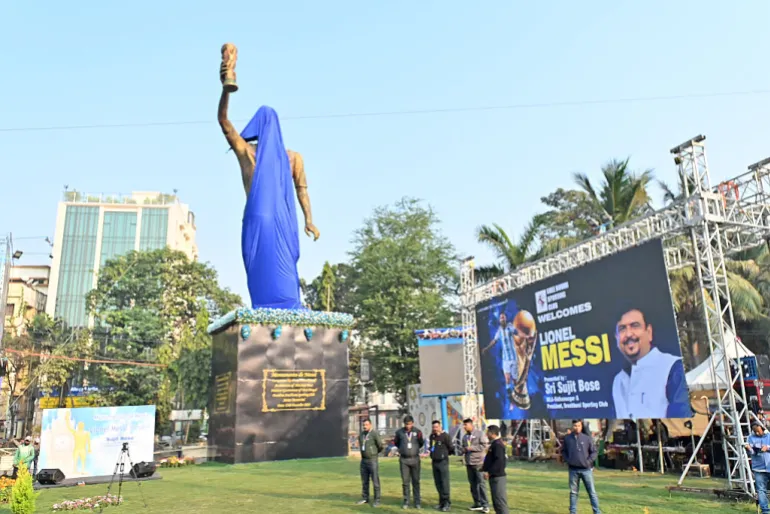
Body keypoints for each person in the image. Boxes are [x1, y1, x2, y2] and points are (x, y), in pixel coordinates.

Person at [217, 72, 319, 310]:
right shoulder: (290, 157)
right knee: (280, 269)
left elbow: (223, 121)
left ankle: (274, 310)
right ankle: (282, 308)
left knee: (268, 267)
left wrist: (225, 92)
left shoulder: (249, 152)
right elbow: (302, 190)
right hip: (275, 221)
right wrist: (309, 220)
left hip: (263, 221)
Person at [611, 307, 691, 419]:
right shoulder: (618, 381)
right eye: (622, 329)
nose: (628, 334)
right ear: (616, 338)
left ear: (649, 332)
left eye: (635, 326)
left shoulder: (671, 367)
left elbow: (681, 417)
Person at [561, 419, 601, 514]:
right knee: (573, 493)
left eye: (579, 426)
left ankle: (597, 512)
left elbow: (594, 452)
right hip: (573, 470)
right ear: (572, 426)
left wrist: (588, 462)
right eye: (575, 426)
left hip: (586, 470)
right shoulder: (567, 439)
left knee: (592, 493)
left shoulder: (587, 438)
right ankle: (573, 512)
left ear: (581, 426)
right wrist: (568, 460)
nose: (577, 428)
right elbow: (563, 451)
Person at [481, 312, 516, 409]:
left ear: (506, 319)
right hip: (505, 359)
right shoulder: (499, 331)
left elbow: (517, 332)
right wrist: (486, 348)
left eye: (503, 317)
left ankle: (518, 397)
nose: (502, 319)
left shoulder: (510, 327)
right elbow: (494, 341)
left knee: (515, 380)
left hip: (513, 358)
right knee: (507, 379)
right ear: (499, 320)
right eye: (501, 318)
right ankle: (511, 401)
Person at [394, 415, 424, 509]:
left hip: (415, 459)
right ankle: (406, 501)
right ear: (404, 424)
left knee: (416, 481)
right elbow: (396, 443)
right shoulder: (399, 432)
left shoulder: (418, 432)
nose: (408, 426)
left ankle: (417, 501)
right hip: (404, 460)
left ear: (413, 423)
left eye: (410, 424)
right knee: (405, 482)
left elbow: (421, 443)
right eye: (406, 424)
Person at [462, 418, 490, 513]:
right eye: (463, 425)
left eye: (466, 425)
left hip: (479, 463)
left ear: (471, 425)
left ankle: (485, 505)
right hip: (469, 463)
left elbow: (484, 446)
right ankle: (477, 503)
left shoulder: (480, 434)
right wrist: (463, 450)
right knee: (473, 484)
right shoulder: (465, 437)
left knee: (481, 484)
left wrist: (471, 448)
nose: (464, 427)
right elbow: (464, 447)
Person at [356, 418, 383, 507]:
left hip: (372, 460)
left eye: (366, 424)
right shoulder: (361, 435)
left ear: (370, 425)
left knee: (375, 480)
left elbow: (380, 446)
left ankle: (377, 500)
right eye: (364, 425)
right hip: (363, 461)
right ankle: (365, 498)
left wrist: (373, 453)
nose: (365, 426)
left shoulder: (374, 434)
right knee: (364, 481)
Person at [482, 425, 508, 514]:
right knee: (496, 501)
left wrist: (489, 472)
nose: (486, 434)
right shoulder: (494, 444)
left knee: (500, 501)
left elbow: (499, 461)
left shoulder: (498, 445)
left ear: (492, 433)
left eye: (488, 432)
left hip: (498, 476)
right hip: (494, 476)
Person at [745, 421, 770, 514]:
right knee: (761, 490)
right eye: (755, 431)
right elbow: (752, 452)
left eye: (758, 431)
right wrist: (749, 449)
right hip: (758, 468)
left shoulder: (769, 436)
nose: (757, 433)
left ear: (762, 428)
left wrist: (767, 448)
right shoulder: (750, 438)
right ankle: (765, 511)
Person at [429, 420, 453, 512]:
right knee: (438, 483)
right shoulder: (432, 437)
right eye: (433, 427)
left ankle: (447, 502)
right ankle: (441, 502)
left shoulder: (445, 436)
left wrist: (444, 455)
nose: (435, 429)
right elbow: (431, 447)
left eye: (436, 427)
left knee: (444, 482)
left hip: (443, 462)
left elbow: (451, 448)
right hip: (434, 462)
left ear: (440, 427)